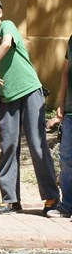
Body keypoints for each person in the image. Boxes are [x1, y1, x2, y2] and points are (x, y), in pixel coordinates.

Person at [0, 0, 59, 215]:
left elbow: (6, 44)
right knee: (8, 146)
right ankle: (11, 200)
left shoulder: (7, 26)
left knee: (37, 142)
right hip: (6, 98)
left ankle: (51, 197)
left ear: (0, 12)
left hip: (30, 90)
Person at [47, 34, 72, 219]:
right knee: (66, 159)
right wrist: (61, 103)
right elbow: (66, 72)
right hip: (70, 111)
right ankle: (68, 205)